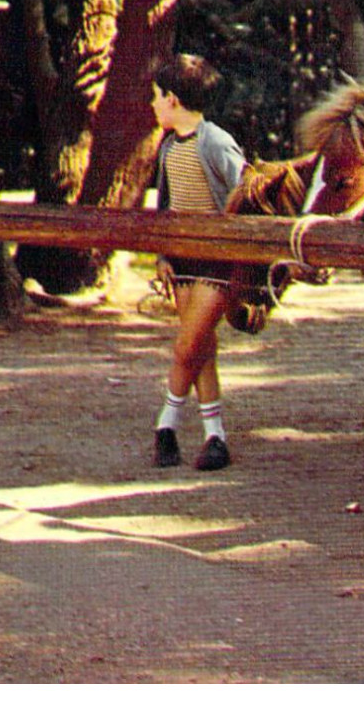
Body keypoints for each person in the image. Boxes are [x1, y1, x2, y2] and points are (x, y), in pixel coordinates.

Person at [149, 54, 249, 472]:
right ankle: (214, 437)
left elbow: (247, 192)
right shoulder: (169, 146)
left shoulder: (216, 142)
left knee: (187, 344)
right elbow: (167, 206)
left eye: (156, 97)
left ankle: (166, 424)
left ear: (173, 99)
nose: (153, 105)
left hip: (216, 261)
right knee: (202, 351)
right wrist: (163, 254)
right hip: (184, 260)